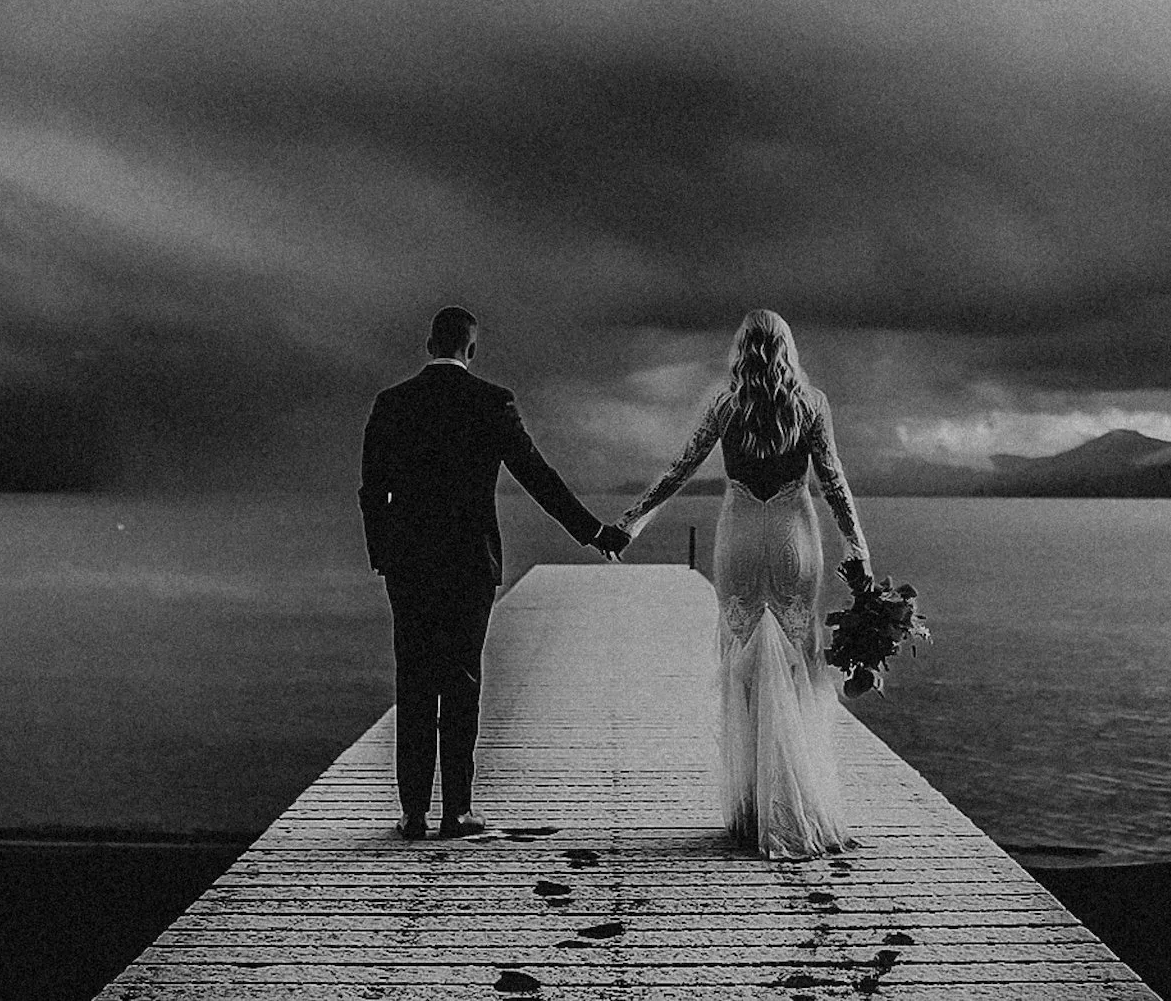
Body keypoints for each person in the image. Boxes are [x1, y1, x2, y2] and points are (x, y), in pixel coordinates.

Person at [358, 306, 630, 841]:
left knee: (413, 680)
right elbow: (538, 477)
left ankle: (412, 813)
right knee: (462, 682)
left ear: (429, 344)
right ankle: (457, 811)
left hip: (409, 565)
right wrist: (594, 532)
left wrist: (384, 554)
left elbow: (372, 492)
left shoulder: (391, 403)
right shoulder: (492, 401)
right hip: (469, 565)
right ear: (472, 349)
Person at [613, 309, 869, 859]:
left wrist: (632, 522)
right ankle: (798, 805)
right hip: (795, 536)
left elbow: (680, 469)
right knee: (795, 666)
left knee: (745, 666)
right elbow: (833, 481)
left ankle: (752, 812)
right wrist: (858, 548)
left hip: (741, 537)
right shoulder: (811, 404)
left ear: (743, 351)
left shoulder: (726, 406)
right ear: (787, 349)